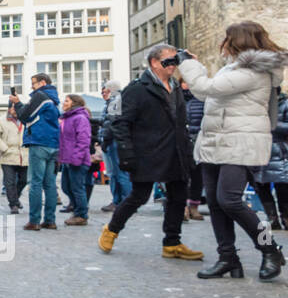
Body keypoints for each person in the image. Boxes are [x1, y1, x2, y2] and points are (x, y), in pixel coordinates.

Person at [179, 23, 288, 281]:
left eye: (227, 38)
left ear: (238, 41)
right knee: (217, 204)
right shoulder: (233, 69)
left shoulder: (254, 71)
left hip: (240, 142)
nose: (223, 42)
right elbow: (203, 93)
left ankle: (270, 248)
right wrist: (193, 68)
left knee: (229, 200)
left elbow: (207, 88)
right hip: (215, 141)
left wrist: (190, 65)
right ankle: (228, 257)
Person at [100, 44, 202, 263]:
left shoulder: (175, 87)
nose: (174, 65)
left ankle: (172, 243)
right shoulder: (137, 88)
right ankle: (111, 230)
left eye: (175, 60)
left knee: (177, 196)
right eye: (170, 60)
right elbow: (118, 121)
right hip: (147, 152)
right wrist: (127, 153)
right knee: (139, 196)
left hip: (175, 151)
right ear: (155, 62)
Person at [11, 73, 60, 231]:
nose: (32, 86)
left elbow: (25, 116)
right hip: (53, 143)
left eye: (33, 83)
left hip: (39, 142)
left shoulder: (41, 96)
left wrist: (18, 103)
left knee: (35, 183)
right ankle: (50, 219)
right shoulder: (54, 99)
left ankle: (34, 220)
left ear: (42, 82)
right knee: (50, 184)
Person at [252, 88, 288, 232]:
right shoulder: (255, 104)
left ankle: (286, 218)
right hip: (260, 147)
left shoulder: (287, 103)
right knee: (260, 184)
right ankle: (272, 217)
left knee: (283, 185)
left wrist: (271, 124)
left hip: (281, 149)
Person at [59, 94, 93, 226]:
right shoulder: (67, 118)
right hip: (68, 159)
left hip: (77, 160)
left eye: (66, 101)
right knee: (66, 187)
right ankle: (78, 210)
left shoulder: (80, 118)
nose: (64, 103)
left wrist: (77, 157)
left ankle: (81, 215)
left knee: (77, 188)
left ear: (74, 103)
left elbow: (84, 140)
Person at [98, 80, 130, 214]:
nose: (102, 94)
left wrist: (105, 139)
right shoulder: (115, 102)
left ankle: (124, 202)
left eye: (104, 91)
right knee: (114, 173)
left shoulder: (116, 101)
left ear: (111, 90)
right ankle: (118, 201)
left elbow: (111, 122)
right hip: (112, 140)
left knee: (119, 173)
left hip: (114, 141)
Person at [0, 102, 28, 214]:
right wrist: (5, 149)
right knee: (9, 182)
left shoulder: (26, 120)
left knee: (24, 180)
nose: (15, 110)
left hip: (24, 155)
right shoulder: (0, 121)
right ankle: (13, 204)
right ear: (9, 109)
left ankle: (15, 200)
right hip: (8, 155)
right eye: (13, 108)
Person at [182, 81, 206, 221]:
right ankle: (183, 206)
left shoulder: (202, 100)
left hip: (198, 141)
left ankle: (194, 207)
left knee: (197, 176)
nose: (187, 84)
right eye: (184, 81)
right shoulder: (175, 98)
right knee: (182, 177)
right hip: (182, 141)